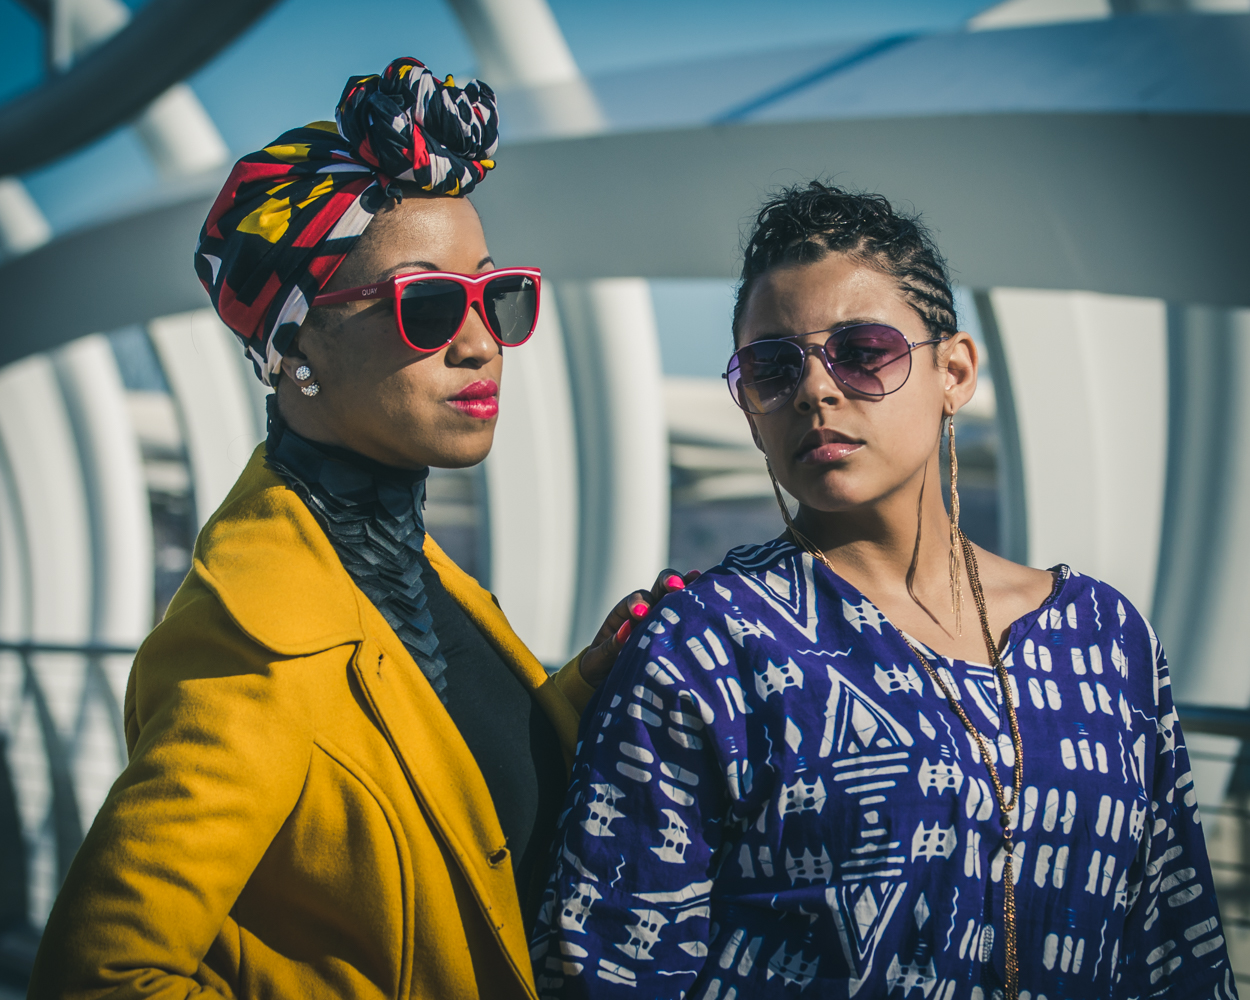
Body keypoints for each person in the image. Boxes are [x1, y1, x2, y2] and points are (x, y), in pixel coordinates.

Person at [29, 57, 690, 1000]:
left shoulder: (402, 569)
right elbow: (99, 977)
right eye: (426, 306)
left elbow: (453, 805)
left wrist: (582, 687)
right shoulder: (246, 648)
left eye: (494, 294)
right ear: (297, 347)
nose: (478, 341)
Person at [530, 182, 1237, 1000]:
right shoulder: (707, 648)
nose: (815, 389)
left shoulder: (1106, 640)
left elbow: (1175, 950)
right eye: (772, 367)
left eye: (863, 352)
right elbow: (606, 966)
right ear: (752, 409)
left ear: (955, 372)